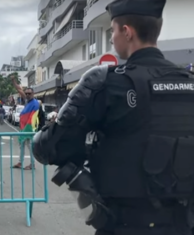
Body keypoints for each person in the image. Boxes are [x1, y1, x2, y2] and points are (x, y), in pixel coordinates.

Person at [32, 0, 194, 234]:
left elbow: (49, 149)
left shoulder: (108, 83)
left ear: (127, 32)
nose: (111, 38)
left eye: (113, 30)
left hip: (125, 225)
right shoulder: (189, 83)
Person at [11, 75, 39, 170]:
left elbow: (33, 118)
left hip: (29, 129)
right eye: (26, 93)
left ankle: (32, 164)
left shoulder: (35, 103)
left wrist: (28, 128)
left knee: (30, 147)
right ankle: (20, 162)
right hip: (24, 128)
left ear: (33, 94)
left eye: (29, 93)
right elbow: (19, 89)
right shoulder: (28, 101)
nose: (27, 95)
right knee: (22, 146)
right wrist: (14, 81)